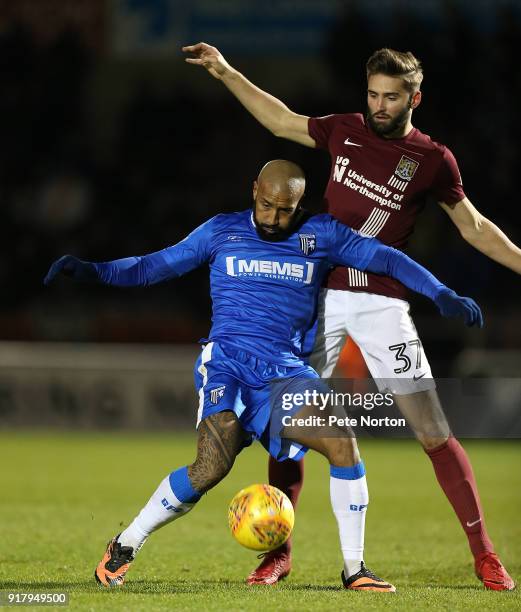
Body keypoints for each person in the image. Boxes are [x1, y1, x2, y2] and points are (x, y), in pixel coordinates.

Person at [45, 160, 483, 592]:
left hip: (285, 372)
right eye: (269, 205)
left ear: (299, 203)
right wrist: (93, 270)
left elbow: (387, 259)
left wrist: (438, 291)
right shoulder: (220, 231)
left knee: (342, 442)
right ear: (254, 189)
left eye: (285, 209)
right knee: (210, 467)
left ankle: (355, 569)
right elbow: (151, 266)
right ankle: (125, 545)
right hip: (229, 364)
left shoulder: (321, 234)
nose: (275, 218)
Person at [182, 43, 519, 591]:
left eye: (390, 97)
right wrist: (226, 72)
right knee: (290, 423)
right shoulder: (343, 130)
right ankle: (277, 553)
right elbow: (279, 119)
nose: (379, 106)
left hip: (385, 304)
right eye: (372, 95)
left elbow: (475, 228)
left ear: (415, 97)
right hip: (321, 297)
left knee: (433, 430)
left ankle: (483, 553)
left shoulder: (434, 159)